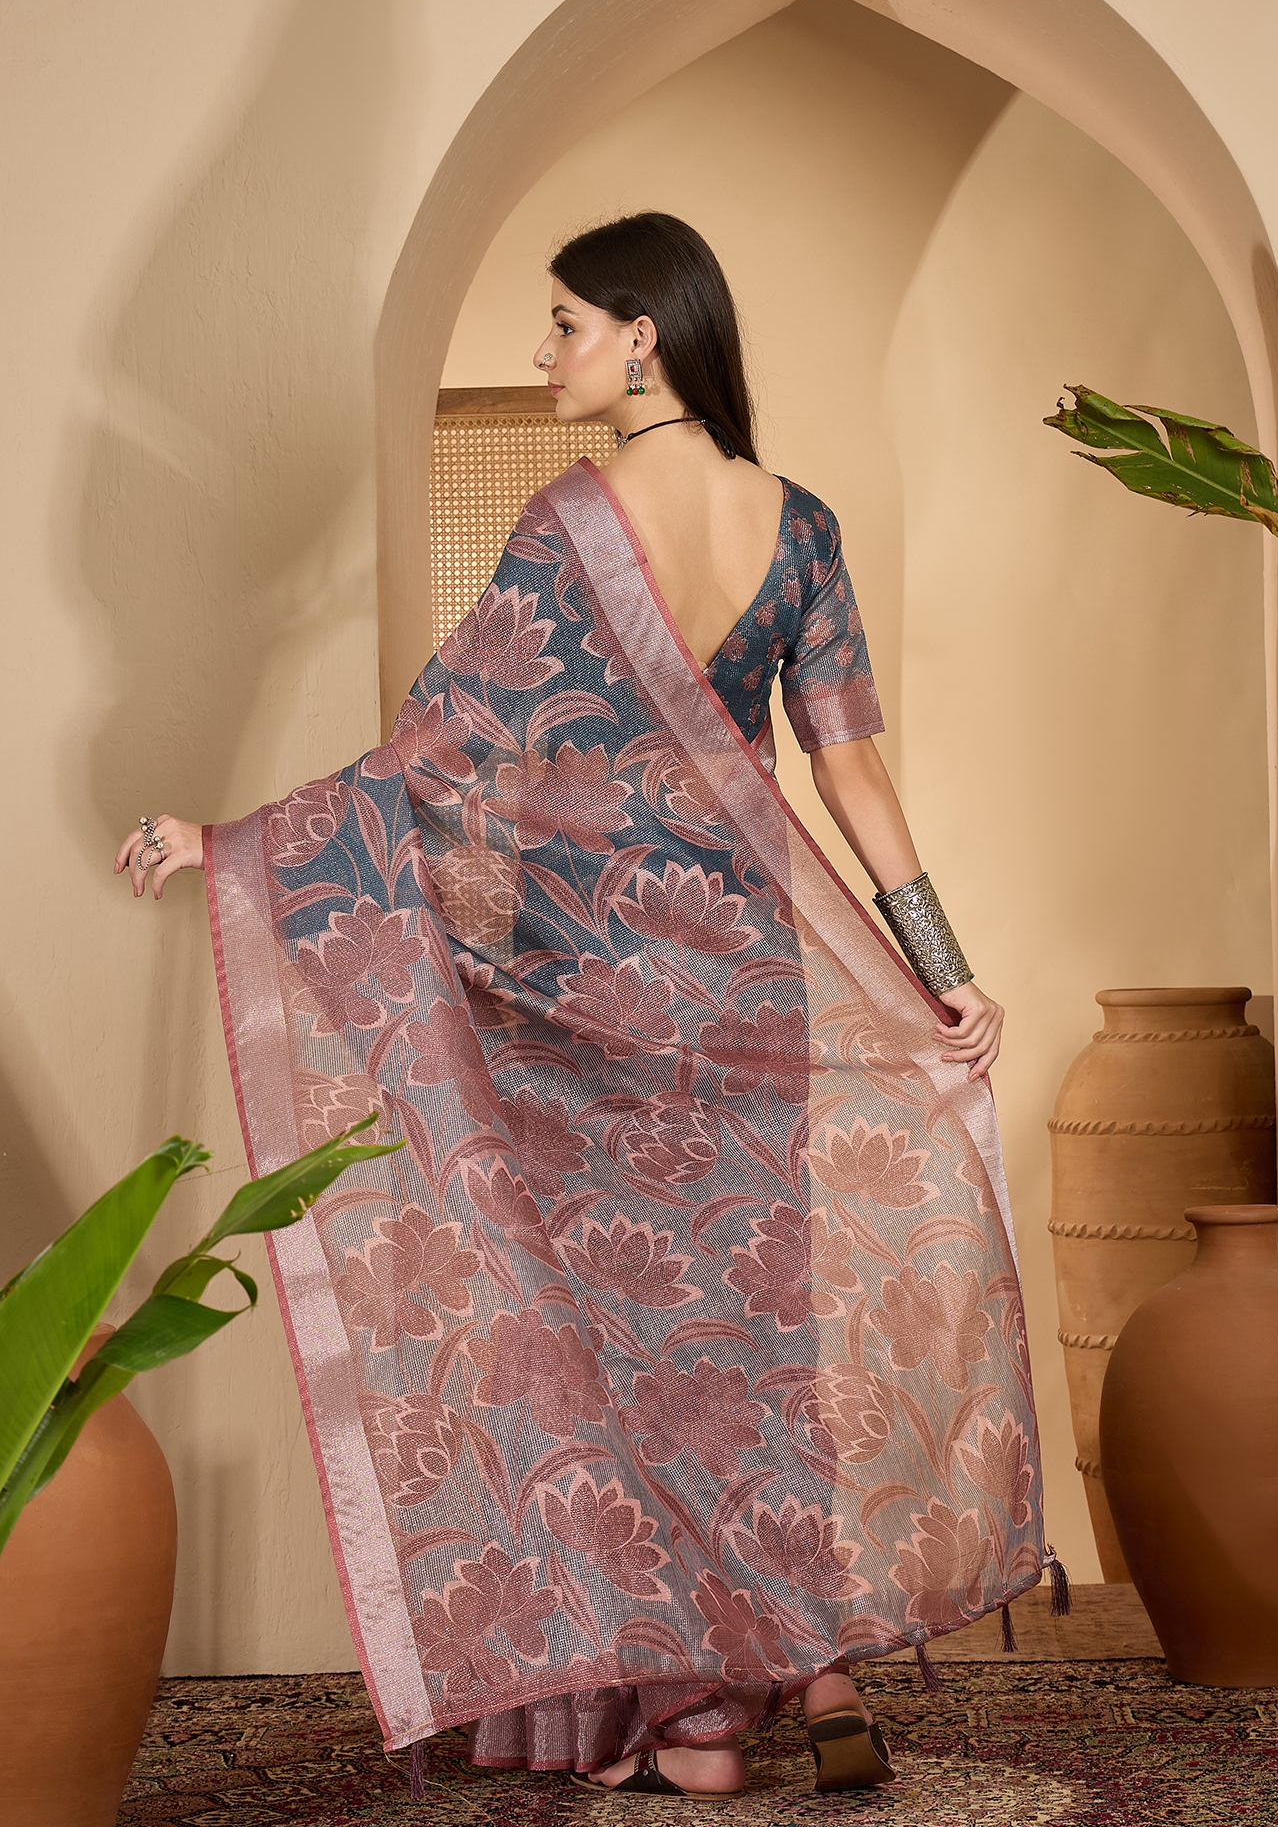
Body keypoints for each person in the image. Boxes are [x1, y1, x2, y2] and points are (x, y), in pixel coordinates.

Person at [117, 212, 1056, 1798]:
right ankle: (818, 1663)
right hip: (756, 986)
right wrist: (942, 965)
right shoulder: (802, 525)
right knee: (763, 1334)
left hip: (593, 989)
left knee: (633, 1348)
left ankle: (696, 1718)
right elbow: (851, 773)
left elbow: (438, 758)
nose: (542, 352)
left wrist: (235, 845)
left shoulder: (571, 525)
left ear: (642, 334)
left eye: (562, 324)